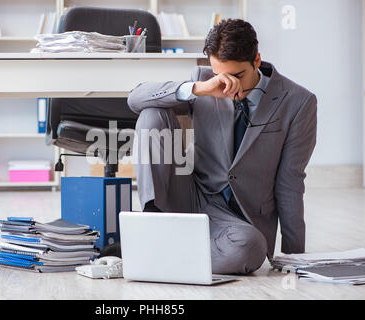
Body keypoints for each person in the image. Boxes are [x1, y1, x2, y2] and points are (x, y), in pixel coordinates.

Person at [127, 19, 317, 274]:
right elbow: (135, 98)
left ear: (257, 60)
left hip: (238, 222)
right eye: (220, 75)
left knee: (251, 247)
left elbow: (290, 182)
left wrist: (296, 259)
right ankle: (154, 229)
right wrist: (199, 88)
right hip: (192, 196)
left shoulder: (298, 102)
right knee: (152, 115)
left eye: (237, 75)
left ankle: (164, 254)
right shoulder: (204, 83)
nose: (229, 85)